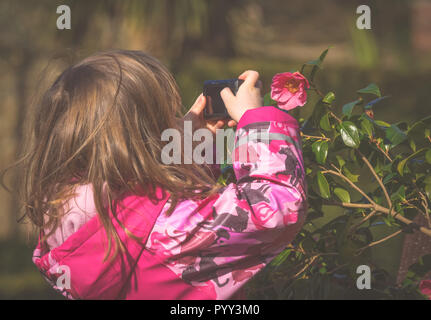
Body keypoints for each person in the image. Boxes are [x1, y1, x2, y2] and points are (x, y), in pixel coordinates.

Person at [5, 50, 307, 299]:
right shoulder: (171, 228)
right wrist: (257, 124)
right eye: (167, 115)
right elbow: (276, 208)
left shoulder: (66, 213)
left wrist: (188, 147)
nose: (178, 119)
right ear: (143, 140)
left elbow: (145, 205)